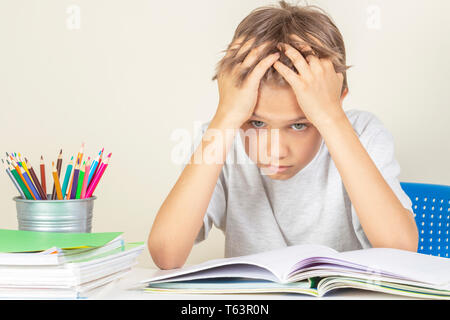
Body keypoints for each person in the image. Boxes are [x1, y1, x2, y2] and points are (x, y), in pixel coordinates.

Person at [148, 1, 418, 270]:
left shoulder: (362, 133)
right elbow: (166, 254)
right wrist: (226, 118)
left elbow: (400, 250)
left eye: (299, 125)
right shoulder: (222, 139)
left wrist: (331, 118)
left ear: (338, 101)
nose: (275, 151)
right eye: (256, 123)